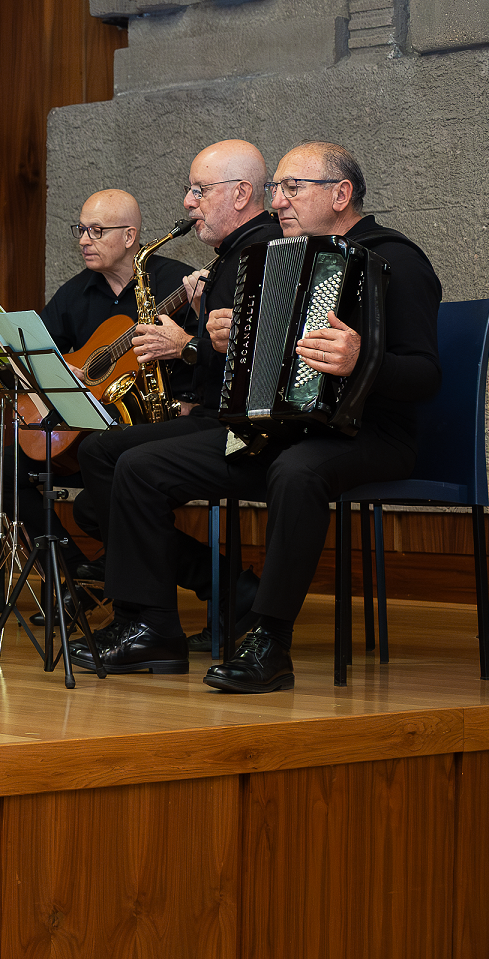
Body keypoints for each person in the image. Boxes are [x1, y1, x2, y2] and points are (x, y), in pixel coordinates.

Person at [72, 143, 441, 693]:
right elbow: (264, 366)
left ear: (340, 195)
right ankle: (151, 627)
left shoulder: (397, 260)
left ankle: (269, 640)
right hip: (275, 430)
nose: (278, 202)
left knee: (297, 471)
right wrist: (225, 341)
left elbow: (425, 377)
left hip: (370, 433)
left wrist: (363, 359)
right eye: (276, 189)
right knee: (139, 465)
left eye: (293, 188)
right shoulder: (281, 259)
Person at [72, 140, 283, 648]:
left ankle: (151, 623)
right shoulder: (231, 256)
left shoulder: (262, 256)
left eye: (199, 190)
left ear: (241, 194)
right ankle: (147, 609)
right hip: (218, 419)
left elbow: (262, 366)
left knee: (133, 466)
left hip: (250, 433)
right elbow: (227, 356)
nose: (188, 202)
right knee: (100, 451)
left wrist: (185, 347)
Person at [0, 189, 194, 574]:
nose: (83, 240)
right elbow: (33, 357)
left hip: (149, 434)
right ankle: (69, 576)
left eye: (96, 230)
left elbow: (206, 355)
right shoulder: (76, 292)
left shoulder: (178, 283)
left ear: (129, 236)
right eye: (81, 229)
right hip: (85, 437)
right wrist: (60, 373)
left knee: (92, 505)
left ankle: (131, 577)